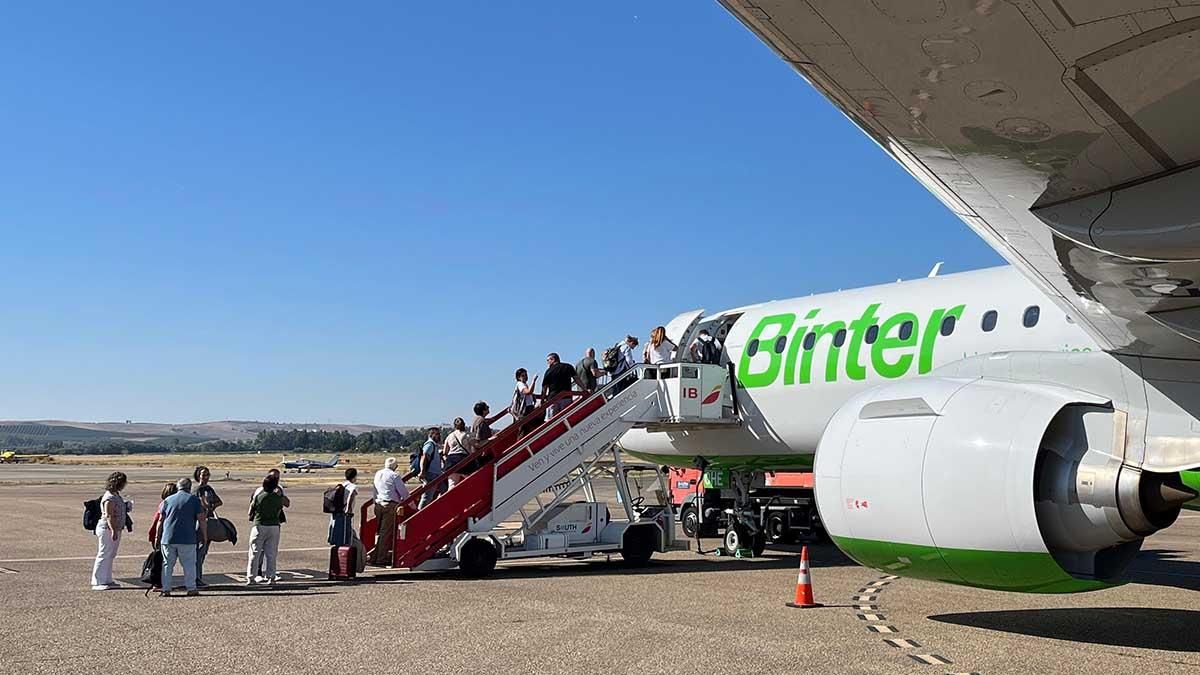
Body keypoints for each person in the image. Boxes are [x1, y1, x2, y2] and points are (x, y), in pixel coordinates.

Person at [155, 477, 206, 597]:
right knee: (189, 564)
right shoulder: (194, 500)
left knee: (167, 564)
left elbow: (160, 520)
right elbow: (202, 520)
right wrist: (205, 535)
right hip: (187, 538)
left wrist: (158, 536)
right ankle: (191, 588)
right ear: (189, 488)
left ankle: (166, 589)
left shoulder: (167, 500)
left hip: (168, 538)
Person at [90, 471, 129, 591]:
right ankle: (98, 581)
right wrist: (113, 530)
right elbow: (109, 515)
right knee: (104, 553)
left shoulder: (115, 495)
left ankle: (107, 579)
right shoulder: (109, 497)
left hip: (115, 528)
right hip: (107, 528)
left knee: (110, 554)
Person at [249, 468, 290, 579]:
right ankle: (257, 573)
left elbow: (287, 504)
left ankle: (270, 574)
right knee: (258, 551)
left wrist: (280, 495)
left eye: (277, 477)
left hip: (274, 523)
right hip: (261, 522)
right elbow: (252, 507)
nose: (276, 480)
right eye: (273, 477)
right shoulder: (260, 491)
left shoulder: (279, 489)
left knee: (271, 551)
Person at [368, 457, 408, 566]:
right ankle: (380, 558)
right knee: (386, 533)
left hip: (378, 504)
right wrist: (411, 504)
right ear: (395, 466)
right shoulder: (394, 476)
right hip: (389, 505)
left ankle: (374, 555)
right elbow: (404, 493)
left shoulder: (378, 473)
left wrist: (375, 502)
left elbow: (374, 490)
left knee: (380, 532)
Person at [193, 465, 222, 587]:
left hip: (208, 521)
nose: (206, 477)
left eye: (207, 474)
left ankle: (198, 576)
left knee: (203, 551)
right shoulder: (196, 490)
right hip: (199, 522)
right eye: (203, 475)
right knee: (198, 551)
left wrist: (211, 506)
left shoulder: (209, 489)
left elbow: (219, 501)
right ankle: (196, 578)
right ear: (198, 476)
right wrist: (203, 506)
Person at [542, 352, 586, 418]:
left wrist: (543, 399)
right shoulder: (568, 367)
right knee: (566, 417)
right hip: (566, 397)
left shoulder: (549, 371)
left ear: (553, 359)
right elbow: (577, 379)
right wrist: (584, 389)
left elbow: (544, 387)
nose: (547, 363)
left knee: (552, 421)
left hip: (553, 399)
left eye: (548, 360)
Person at [328, 467, 358, 547]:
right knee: (345, 533)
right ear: (354, 476)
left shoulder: (342, 485)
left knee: (337, 531)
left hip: (337, 511)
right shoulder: (352, 486)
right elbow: (351, 496)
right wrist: (349, 510)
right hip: (345, 513)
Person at [417, 428, 443, 509]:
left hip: (436, 474)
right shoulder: (430, 444)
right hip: (431, 474)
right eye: (437, 434)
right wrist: (422, 471)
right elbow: (424, 457)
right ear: (432, 435)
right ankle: (419, 514)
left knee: (444, 489)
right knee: (427, 497)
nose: (439, 436)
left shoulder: (433, 445)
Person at [443, 417, 471, 489]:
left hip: (451, 461)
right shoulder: (468, 435)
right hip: (464, 460)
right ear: (464, 424)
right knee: (471, 481)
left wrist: (446, 459)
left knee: (452, 485)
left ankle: (450, 499)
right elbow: (476, 445)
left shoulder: (450, 436)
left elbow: (445, 451)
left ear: (455, 426)